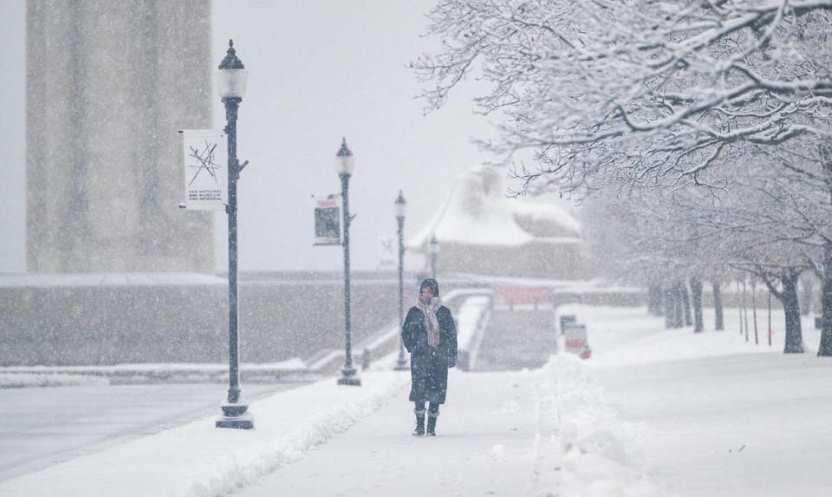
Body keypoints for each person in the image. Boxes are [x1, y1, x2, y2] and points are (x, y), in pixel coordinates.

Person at [401, 278, 457, 436]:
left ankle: (431, 427)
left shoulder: (443, 312)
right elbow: (405, 332)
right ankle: (419, 426)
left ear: (435, 293)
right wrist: (413, 347)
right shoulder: (414, 312)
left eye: (430, 291)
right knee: (419, 391)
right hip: (420, 358)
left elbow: (452, 334)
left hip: (438, 358)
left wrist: (451, 354)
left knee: (435, 391)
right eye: (424, 291)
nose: (426, 294)